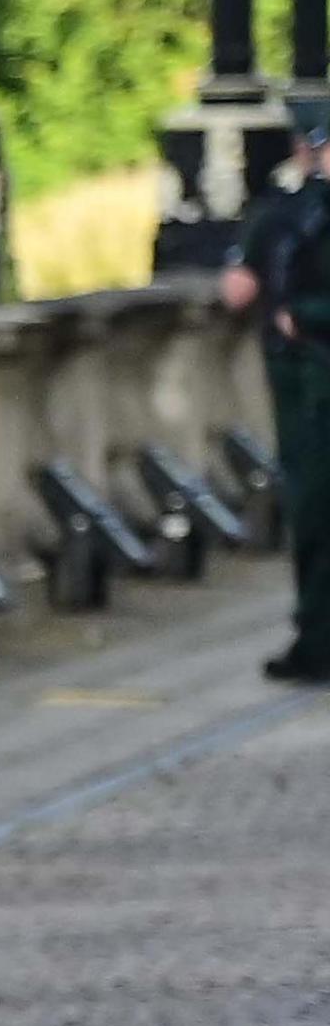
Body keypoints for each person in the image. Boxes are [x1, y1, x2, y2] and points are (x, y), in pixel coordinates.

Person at [219, 100, 330, 685]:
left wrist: (303, 316)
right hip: (299, 379)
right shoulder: (285, 214)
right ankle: (315, 635)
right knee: (310, 509)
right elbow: (240, 288)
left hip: (310, 366)